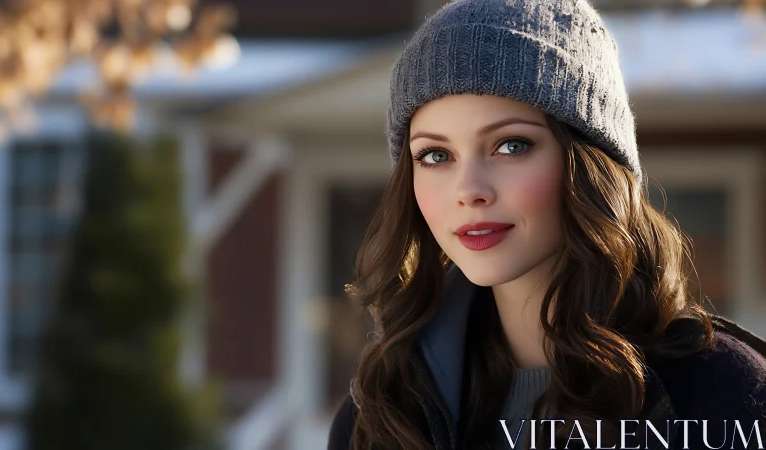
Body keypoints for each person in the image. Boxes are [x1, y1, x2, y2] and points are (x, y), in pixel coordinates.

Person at [327, 0, 766, 449]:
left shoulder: (726, 398)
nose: (469, 190)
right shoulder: (378, 412)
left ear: (591, 165)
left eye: (511, 146)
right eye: (436, 155)